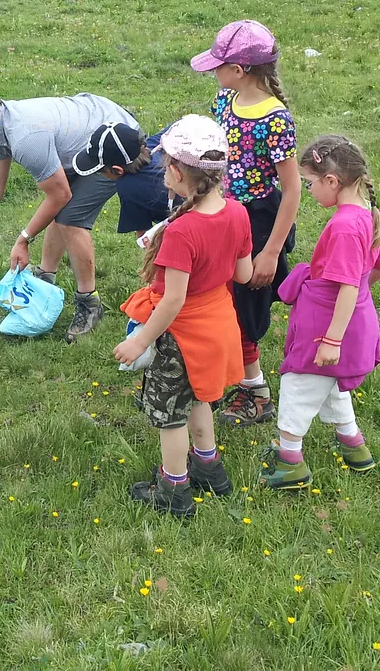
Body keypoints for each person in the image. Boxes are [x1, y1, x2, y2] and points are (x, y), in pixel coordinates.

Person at [113, 115, 254, 518]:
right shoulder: (237, 212)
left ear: (176, 171)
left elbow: (172, 301)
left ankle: (174, 489)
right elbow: (243, 274)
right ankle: (209, 467)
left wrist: (141, 340)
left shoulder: (182, 231)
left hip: (182, 337)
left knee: (170, 416)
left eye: (164, 167)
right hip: (219, 325)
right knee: (200, 397)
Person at [0, 86, 141, 342]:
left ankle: (89, 303)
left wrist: (24, 239)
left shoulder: (24, 137)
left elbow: (60, 196)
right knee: (61, 211)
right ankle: (45, 282)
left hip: (113, 140)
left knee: (70, 220)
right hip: (85, 132)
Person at [260, 136, 380, 489]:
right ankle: (354, 447)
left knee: (299, 385)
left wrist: (331, 338)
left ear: (331, 181)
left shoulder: (345, 226)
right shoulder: (370, 214)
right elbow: (379, 267)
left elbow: (347, 285)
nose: (308, 190)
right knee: (332, 384)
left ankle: (290, 463)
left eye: (309, 183)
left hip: (327, 323)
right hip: (356, 319)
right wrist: (359, 298)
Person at [190, 20, 301, 427]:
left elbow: (291, 191)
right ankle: (218, 380)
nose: (213, 72)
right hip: (223, 214)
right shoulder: (224, 100)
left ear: (240, 70)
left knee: (244, 307)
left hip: (259, 223)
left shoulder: (274, 120)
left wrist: (270, 251)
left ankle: (256, 394)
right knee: (217, 297)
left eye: (218, 65)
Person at [71, 122, 177, 238]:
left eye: (100, 171)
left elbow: (144, 237)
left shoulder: (128, 187)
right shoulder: (155, 143)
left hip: (185, 228)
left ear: (117, 170)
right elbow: (182, 124)